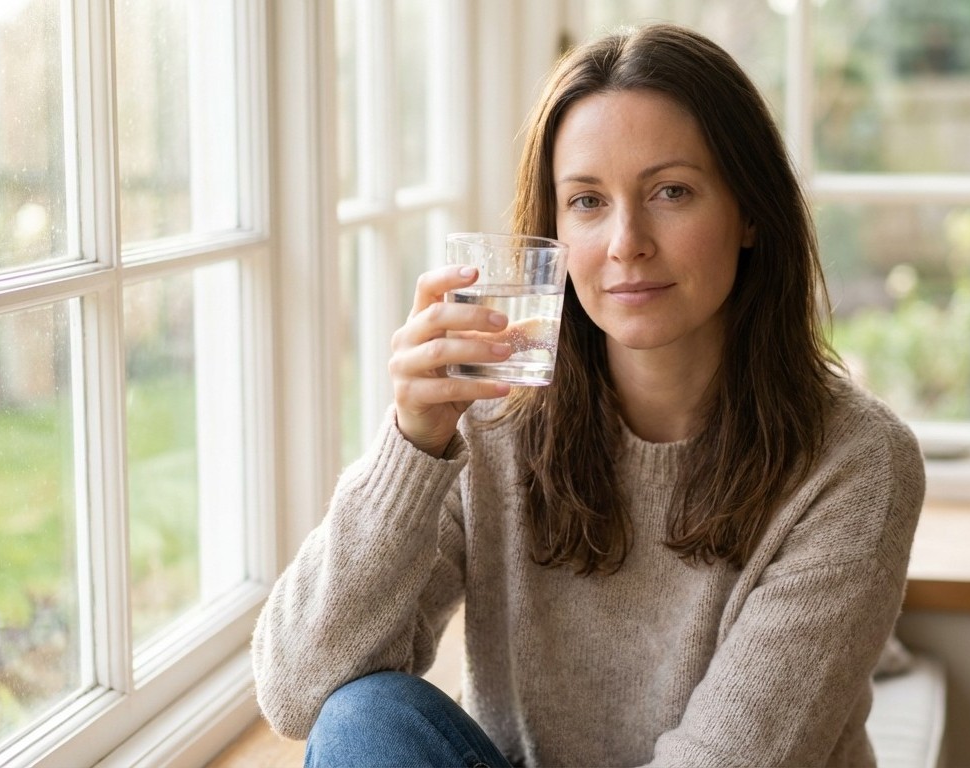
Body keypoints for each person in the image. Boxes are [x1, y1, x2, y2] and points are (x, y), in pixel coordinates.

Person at [253, 22, 924, 768]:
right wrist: (412, 443)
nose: (625, 242)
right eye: (586, 202)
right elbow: (298, 691)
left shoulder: (856, 462)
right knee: (364, 717)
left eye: (672, 191)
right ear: (552, 231)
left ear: (750, 213)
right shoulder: (492, 422)